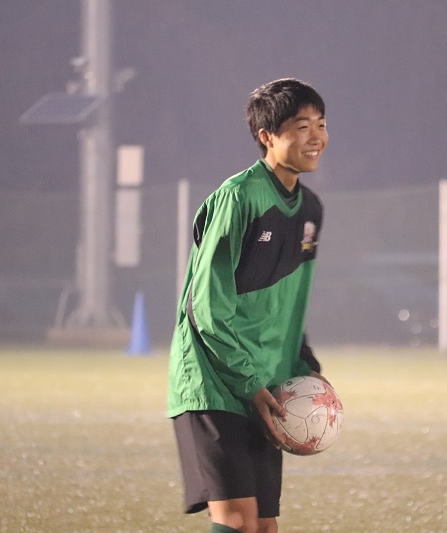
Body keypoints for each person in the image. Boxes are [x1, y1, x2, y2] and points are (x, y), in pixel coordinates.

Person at [167, 78, 329, 533]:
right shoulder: (238, 198)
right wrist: (249, 382)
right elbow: (205, 306)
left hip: (266, 385)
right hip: (217, 382)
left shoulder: (311, 209)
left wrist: (305, 367)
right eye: (301, 126)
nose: (316, 137)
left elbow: (288, 303)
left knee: (264, 526)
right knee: (238, 522)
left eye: (321, 124)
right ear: (267, 136)